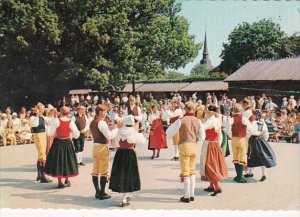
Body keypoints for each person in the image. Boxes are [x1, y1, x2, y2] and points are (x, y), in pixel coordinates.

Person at [166, 101, 204, 203]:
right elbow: (202, 136)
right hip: (194, 146)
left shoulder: (181, 120)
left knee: (185, 171)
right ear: (194, 109)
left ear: (185, 109)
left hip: (184, 145)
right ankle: (192, 194)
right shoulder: (198, 121)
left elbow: (168, 133)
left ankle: (186, 196)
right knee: (192, 171)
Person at [109, 115, 146, 207]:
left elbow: (115, 139)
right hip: (130, 153)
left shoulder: (119, 130)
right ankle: (125, 198)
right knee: (129, 174)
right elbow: (141, 142)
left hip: (120, 152)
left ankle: (125, 195)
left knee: (121, 174)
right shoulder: (133, 131)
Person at [45, 106, 80, 188]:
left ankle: (60, 182)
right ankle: (66, 179)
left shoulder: (57, 121)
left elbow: (50, 133)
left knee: (58, 161)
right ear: (68, 113)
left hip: (58, 142)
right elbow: (76, 135)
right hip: (67, 142)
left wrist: (47, 126)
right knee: (68, 160)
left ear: (61, 112)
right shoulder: (71, 121)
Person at [89, 104, 119, 200]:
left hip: (95, 147)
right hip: (102, 147)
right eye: (105, 111)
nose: (106, 113)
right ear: (100, 112)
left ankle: (97, 191)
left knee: (95, 171)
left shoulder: (92, 122)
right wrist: (116, 129)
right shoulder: (101, 123)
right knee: (103, 171)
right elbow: (109, 136)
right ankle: (102, 192)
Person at [226, 103, 260, 183]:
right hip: (242, 139)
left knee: (235, 157)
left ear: (234, 111)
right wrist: (246, 135)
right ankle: (240, 176)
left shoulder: (231, 119)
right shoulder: (244, 119)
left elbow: (227, 129)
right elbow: (250, 130)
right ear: (241, 111)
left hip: (234, 139)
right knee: (242, 157)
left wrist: (231, 135)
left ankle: (238, 175)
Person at [200, 105, 228, 196]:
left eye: (207, 111)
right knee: (213, 164)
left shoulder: (210, 121)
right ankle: (211, 185)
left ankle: (217, 186)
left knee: (209, 165)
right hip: (215, 143)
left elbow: (202, 129)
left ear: (209, 112)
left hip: (208, 143)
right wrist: (218, 145)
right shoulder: (217, 121)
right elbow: (220, 135)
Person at [244, 111, 277, 181]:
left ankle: (250, 173)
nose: (251, 116)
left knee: (250, 156)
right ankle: (263, 174)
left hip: (252, 140)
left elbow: (248, 133)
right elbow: (266, 133)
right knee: (262, 157)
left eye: (253, 114)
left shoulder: (251, 123)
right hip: (260, 140)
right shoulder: (262, 123)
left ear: (255, 116)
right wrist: (264, 140)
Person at [30, 102, 52, 183]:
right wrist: (37, 114)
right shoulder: (33, 117)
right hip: (38, 135)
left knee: (41, 155)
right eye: (41, 109)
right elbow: (35, 125)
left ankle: (39, 175)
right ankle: (43, 176)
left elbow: (49, 121)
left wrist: (52, 112)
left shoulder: (42, 117)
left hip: (43, 135)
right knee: (42, 155)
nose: (43, 110)